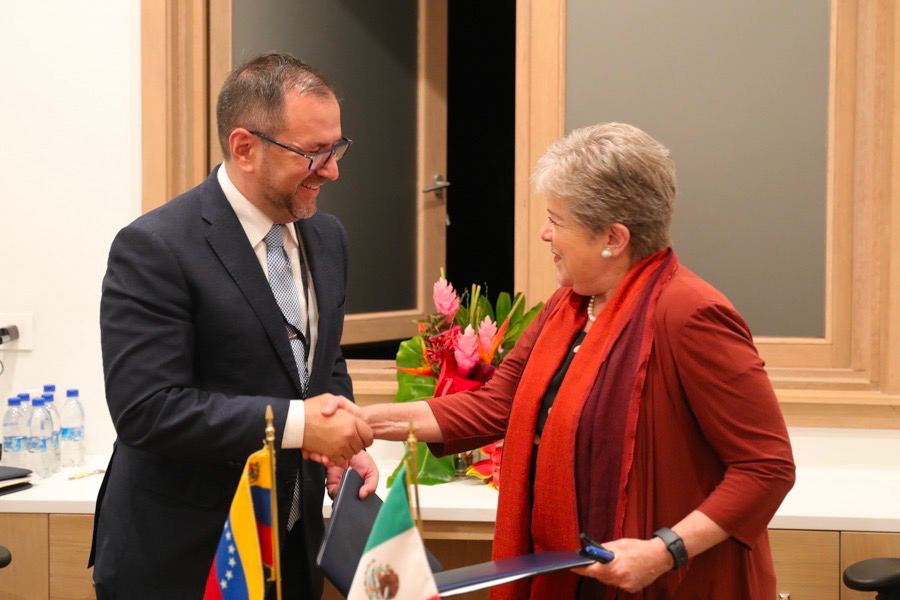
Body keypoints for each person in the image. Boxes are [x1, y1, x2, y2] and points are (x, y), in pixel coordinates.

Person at [351, 123, 796, 598]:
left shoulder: (690, 315)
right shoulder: (568, 308)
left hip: (668, 581)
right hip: (578, 574)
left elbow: (766, 467)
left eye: (556, 220)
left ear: (614, 237)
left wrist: (665, 550)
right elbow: (498, 404)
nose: (545, 233)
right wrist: (364, 423)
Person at [90, 53, 377, 600]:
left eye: (336, 148)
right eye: (313, 152)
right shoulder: (155, 247)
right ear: (245, 147)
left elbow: (320, 360)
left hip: (293, 549)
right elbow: (147, 411)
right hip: (186, 558)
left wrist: (339, 440)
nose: (334, 170)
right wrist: (300, 425)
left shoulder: (328, 237)